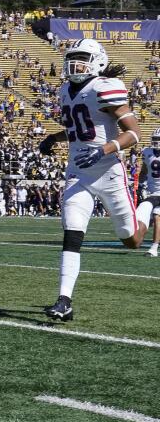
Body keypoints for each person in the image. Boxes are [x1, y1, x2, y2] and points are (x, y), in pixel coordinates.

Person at [38, 39, 154, 321]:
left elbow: (134, 133)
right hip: (78, 172)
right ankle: (64, 300)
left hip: (109, 172)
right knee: (72, 232)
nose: (75, 64)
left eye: (82, 58)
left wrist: (104, 150)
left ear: (98, 61)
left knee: (133, 240)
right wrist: (55, 137)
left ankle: (147, 207)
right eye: (72, 58)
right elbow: (81, 129)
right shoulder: (66, 89)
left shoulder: (106, 86)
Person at [141, 129, 160, 258]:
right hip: (153, 192)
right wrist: (141, 185)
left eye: (158, 139)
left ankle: (154, 247)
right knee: (152, 217)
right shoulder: (147, 153)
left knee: (157, 216)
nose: (155, 142)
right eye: (154, 139)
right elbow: (144, 170)